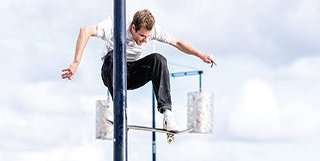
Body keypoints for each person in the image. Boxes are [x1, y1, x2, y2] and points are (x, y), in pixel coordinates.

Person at [62, 9, 217, 132]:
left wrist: (201, 55)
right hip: (111, 72)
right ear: (133, 27)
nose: (145, 40)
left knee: (159, 59)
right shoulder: (116, 25)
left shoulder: (152, 30)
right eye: (142, 36)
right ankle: (120, 108)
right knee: (114, 56)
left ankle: (167, 114)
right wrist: (76, 62)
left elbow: (177, 42)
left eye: (148, 37)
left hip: (133, 73)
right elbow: (85, 30)